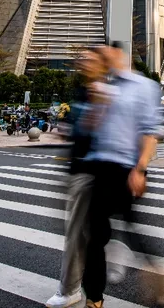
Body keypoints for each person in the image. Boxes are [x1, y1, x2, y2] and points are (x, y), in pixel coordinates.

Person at [77, 44, 164, 307]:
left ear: (120, 55)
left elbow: (151, 132)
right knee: (95, 234)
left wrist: (140, 169)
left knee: (132, 228)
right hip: (100, 168)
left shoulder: (144, 87)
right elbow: (90, 129)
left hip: (126, 169)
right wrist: (96, 101)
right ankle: (94, 297)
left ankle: (156, 271)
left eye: (107, 54)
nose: (103, 59)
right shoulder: (106, 86)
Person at [48, 50, 104, 308]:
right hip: (79, 169)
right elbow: (72, 128)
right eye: (79, 58)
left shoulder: (105, 92)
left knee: (81, 232)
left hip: (98, 171)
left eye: (88, 58)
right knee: (82, 231)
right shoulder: (83, 93)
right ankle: (77, 287)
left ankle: (71, 289)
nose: (82, 61)